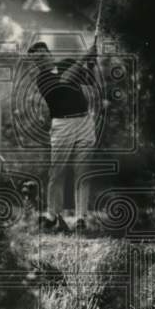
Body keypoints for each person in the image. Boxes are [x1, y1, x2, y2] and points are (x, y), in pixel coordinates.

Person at [27, 37, 99, 233]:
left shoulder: (67, 63)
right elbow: (65, 81)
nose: (40, 61)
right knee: (57, 172)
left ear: (49, 54)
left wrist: (91, 63)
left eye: (42, 56)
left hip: (84, 122)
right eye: (36, 60)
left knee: (82, 171)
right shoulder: (42, 79)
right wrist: (84, 57)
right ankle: (52, 216)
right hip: (62, 125)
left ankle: (81, 218)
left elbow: (91, 82)